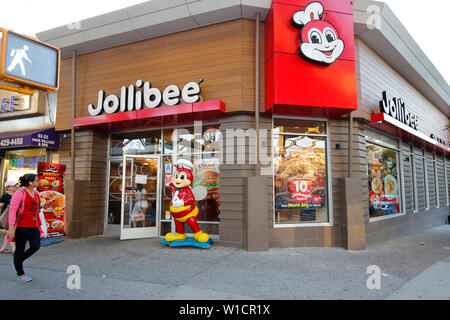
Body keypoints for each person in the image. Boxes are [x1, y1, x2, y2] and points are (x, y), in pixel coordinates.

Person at [7, 174, 42, 283]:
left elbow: (35, 207)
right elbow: (12, 211)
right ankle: (20, 274)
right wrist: (11, 227)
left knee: (36, 246)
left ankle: (18, 261)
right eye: (36, 180)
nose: (38, 182)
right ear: (30, 182)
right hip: (22, 226)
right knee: (20, 249)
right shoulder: (19, 193)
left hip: (34, 225)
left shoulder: (36, 193)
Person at [0, 181, 18, 254]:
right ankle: (14, 250)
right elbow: (0, 205)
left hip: (16, 217)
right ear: (8, 188)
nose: (15, 187)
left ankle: (2, 249)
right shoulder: (5, 196)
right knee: (10, 232)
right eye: (13, 186)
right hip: (7, 218)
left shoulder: (17, 195)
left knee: (9, 233)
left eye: (15, 185)